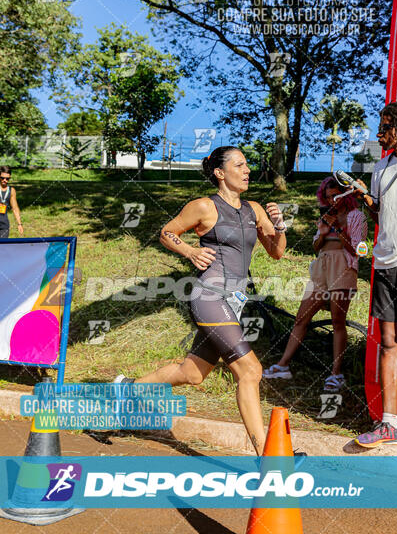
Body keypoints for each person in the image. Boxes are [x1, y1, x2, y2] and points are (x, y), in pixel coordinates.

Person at [115, 146, 286, 455]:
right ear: (220, 173)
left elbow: (277, 251)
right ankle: (267, 456)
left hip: (233, 301)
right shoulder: (205, 207)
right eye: (240, 165)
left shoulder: (255, 209)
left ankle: (128, 390)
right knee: (250, 371)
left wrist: (281, 224)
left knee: (192, 374)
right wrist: (190, 252)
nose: (247, 170)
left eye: (247, 164)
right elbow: (167, 232)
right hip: (209, 296)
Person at [263, 176, 367, 392]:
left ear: (345, 194)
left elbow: (357, 249)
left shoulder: (356, 216)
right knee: (301, 318)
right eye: (328, 197)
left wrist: (337, 229)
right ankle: (283, 365)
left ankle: (336, 374)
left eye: (335, 196)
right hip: (321, 268)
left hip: (343, 268)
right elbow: (317, 246)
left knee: (338, 322)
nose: (332, 201)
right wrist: (324, 229)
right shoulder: (326, 216)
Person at [354, 102, 397, 447]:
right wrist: (365, 200)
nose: (379, 132)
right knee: (389, 343)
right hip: (385, 261)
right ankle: (389, 423)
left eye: (386, 126)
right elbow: (382, 213)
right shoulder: (381, 166)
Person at [0, 166, 24, 238]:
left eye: (7, 179)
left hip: (4, 225)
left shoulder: (11, 190)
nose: (5, 180)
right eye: (2, 178)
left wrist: (19, 224)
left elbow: (15, 208)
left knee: (2, 247)